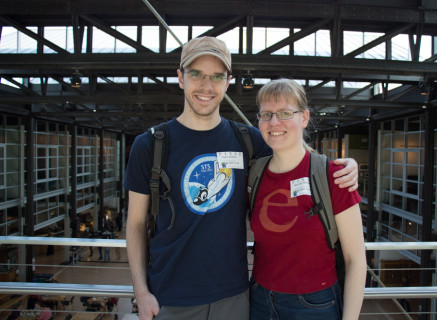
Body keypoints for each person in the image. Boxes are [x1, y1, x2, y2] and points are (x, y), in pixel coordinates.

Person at [124, 36, 359, 320]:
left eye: (217, 76)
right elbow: (135, 224)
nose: (206, 86)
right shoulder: (150, 145)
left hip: (235, 297)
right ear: (180, 78)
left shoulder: (248, 141)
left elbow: (291, 148)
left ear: (227, 81)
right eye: (196, 74)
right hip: (170, 298)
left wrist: (340, 165)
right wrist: (141, 291)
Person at [249, 79, 366, 320]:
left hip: (314, 305)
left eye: (284, 113)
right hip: (259, 300)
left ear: (304, 118)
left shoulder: (334, 176)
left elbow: (356, 259)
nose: (274, 122)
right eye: (266, 114)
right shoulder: (254, 174)